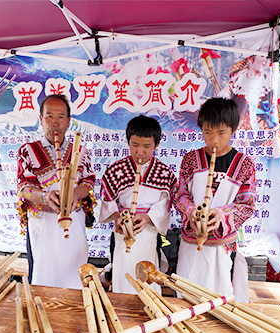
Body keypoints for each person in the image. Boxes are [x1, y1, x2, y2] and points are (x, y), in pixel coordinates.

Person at [174, 98, 256, 302]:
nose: (214, 140)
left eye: (221, 133)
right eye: (208, 132)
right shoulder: (191, 159)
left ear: (233, 130)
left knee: (220, 301)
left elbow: (246, 205)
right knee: (186, 298)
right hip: (191, 244)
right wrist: (191, 211)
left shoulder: (244, 164)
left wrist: (220, 214)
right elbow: (181, 195)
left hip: (221, 247)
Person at [16, 94, 96, 289]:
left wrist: (76, 194)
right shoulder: (27, 151)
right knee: (44, 281)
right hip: (43, 225)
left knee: (75, 278)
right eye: (49, 116)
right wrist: (44, 196)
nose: (55, 123)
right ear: (41, 120)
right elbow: (23, 189)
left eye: (60, 117)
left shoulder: (81, 152)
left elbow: (89, 184)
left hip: (74, 224)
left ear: (69, 122)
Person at [99, 115, 177, 294]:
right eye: (135, 145)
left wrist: (148, 217)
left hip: (148, 233)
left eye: (147, 146)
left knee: (148, 278)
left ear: (156, 145)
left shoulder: (164, 173)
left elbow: (166, 203)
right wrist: (118, 218)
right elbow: (107, 201)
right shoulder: (115, 170)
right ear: (128, 142)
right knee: (123, 275)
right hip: (122, 233)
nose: (140, 151)